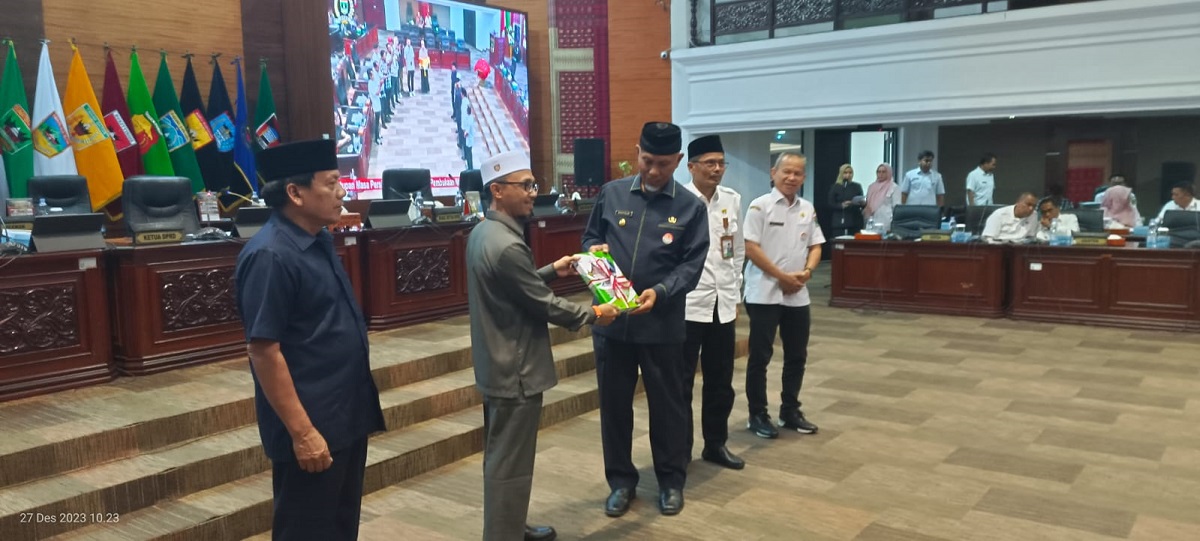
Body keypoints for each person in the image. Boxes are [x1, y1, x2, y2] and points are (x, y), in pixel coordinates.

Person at [234, 139, 386, 541]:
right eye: (332, 183)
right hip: (311, 423)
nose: (343, 192)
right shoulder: (270, 255)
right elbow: (264, 351)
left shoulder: (317, 239)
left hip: (343, 414)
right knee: (306, 531)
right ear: (295, 193)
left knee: (339, 528)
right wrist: (303, 433)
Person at [467, 150, 619, 541]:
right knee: (510, 464)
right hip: (515, 369)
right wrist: (594, 314)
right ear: (497, 190)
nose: (533, 192)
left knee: (503, 457)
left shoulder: (484, 233)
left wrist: (553, 269)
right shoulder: (507, 244)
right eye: (525, 186)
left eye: (534, 185)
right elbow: (542, 304)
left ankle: (509, 525)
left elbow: (515, 286)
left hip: (497, 363)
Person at [581, 121, 709, 518]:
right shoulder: (612, 193)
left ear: (679, 161)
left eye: (664, 164)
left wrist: (663, 291)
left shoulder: (690, 207)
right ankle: (621, 482)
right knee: (614, 408)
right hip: (612, 324)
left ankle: (671, 481)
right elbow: (589, 239)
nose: (653, 171)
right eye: (647, 160)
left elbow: (692, 265)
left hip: (662, 325)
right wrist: (594, 251)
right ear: (637, 153)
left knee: (668, 407)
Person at [742, 152, 825, 439]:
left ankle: (790, 410)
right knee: (760, 356)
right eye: (786, 172)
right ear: (773, 173)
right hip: (764, 292)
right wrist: (782, 277)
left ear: (804, 177)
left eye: (797, 173)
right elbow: (750, 248)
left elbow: (816, 245)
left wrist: (807, 272)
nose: (791, 177)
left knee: (797, 355)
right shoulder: (759, 206)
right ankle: (757, 414)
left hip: (797, 293)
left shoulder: (807, 208)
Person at [681, 135, 745, 471]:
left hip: (722, 304)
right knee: (681, 383)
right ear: (691, 166)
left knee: (721, 381)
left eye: (721, 163)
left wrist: (735, 294)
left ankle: (715, 443)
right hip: (688, 306)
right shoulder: (676, 201)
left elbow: (736, 250)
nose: (717, 169)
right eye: (710, 163)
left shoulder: (731, 200)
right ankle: (679, 450)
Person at [827, 163, 864, 237]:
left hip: (854, 221)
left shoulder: (857, 186)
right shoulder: (835, 187)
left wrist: (859, 203)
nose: (848, 175)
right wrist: (841, 205)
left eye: (850, 173)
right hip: (839, 222)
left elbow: (861, 201)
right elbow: (830, 203)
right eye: (845, 173)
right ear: (841, 174)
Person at [863, 163, 901, 232]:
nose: (880, 174)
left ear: (888, 173)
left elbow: (896, 207)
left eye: (883, 172)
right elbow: (867, 204)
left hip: (887, 221)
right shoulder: (871, 187)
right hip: (872, 220)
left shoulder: (894, 187)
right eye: (878, 172)